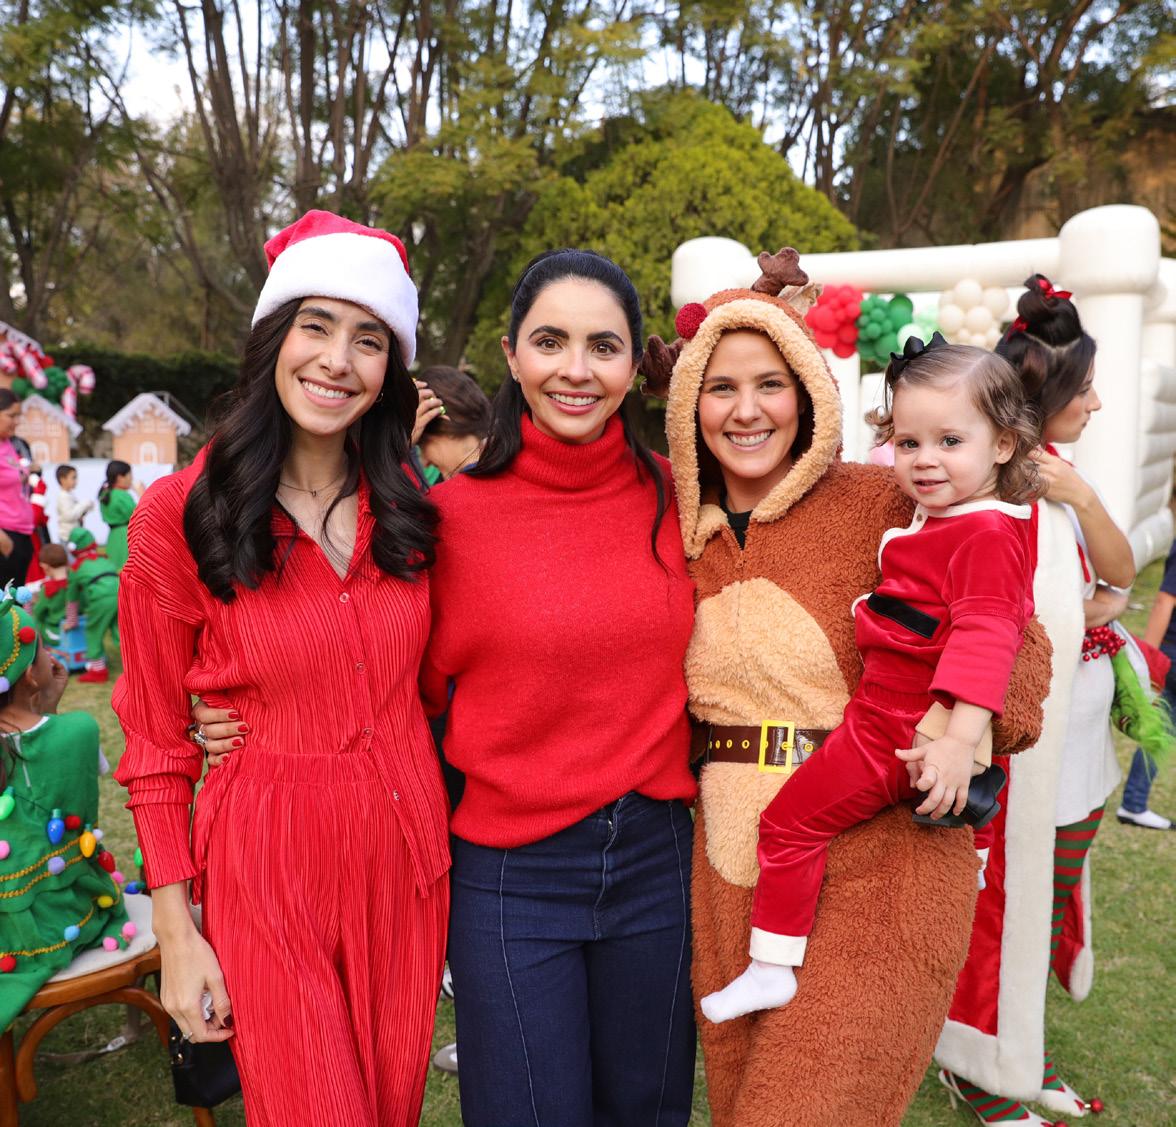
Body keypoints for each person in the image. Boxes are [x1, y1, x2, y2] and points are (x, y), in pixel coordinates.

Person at [642, 248, 1049, 1127]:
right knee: (744, 1102)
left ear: (808, 392)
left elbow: (1017, 641)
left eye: (771, 384)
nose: (747, 409)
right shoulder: (668, 531)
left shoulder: (888, 499)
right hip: (730, 863)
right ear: (687, 404)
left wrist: (958, 729)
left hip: (884, 854)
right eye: (720, 387)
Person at [112, 210, 450, 1127]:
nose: (338, 360)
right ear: (273, 339)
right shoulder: (181, 512)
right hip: (268, 867)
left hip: (406, 863)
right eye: (317, 326)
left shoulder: (409, 510)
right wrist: (176, 932)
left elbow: (438, 680)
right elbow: (152, 743)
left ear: (391, 368)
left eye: (369, 338)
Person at [700, 336, 1039, 1023]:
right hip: (885, 712)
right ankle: (972, 842)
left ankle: (772, 964)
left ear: (1004, 444)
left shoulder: (983, 535)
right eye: (908, 443)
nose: (925, 460)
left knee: (788, 823)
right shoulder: (946, 519)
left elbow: (989, 636)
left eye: (950, 441)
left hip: (892, 727)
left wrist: (957, 740)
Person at [936, 274, 1135, 1124]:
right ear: (1047, 396)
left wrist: (1079, 496)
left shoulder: (1061, 480)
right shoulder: (980, 495)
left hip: (1081, 749)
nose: (1096, 402)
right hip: (1019, 749)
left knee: (1047, 908)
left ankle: (1026, 1052)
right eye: (1084, 387)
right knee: (1002, 911)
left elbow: (1121, 573)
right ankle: (979, 1066)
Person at [0, 585, 131, 1028]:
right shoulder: (77, 731)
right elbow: (70, 801)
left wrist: (45, 709)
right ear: (31, 675)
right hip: (58, 920)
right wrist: (52, 710)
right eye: (41, 649)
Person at [1117, 535, 1176, 829]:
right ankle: (1134, 803)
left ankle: (1134, 803)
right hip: (1172, 653)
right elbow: (1166, 599)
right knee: (1161, 727)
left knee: (1162, 728)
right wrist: (1148, 660)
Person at [414, 365, 491, 482]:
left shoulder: (454, 491)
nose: (425, 463)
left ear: (446, 427)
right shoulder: (509, 471)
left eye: (421, 443)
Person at [64, 528, 120, 684]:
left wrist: (71, 621)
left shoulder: (76, 568)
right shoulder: (105, 559)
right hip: (120, 593)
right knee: (121, 630)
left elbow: (72, 599)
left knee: (93, 631)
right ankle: (139, 662)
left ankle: (98, 670)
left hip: (101, 599)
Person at [0, 390, 34, 589]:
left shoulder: (9, 444)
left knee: (16, 603)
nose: (17, 422)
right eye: (11, 416)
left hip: (21, 532)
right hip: (5, 536)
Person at [97, 460, 137, 570]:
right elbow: (138, 514)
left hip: (113, 537)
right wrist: (142, 493)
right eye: (129, 475)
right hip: (125, 536)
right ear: (120, 477)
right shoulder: (121, 495)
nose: (131, 479)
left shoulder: (105, 493)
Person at [32, 543, 69, 645]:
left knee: (35, 621)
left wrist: (35, 602)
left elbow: (38, 612)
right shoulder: (74, 581)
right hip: (79, 628)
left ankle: (42, 649)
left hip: (57, 632)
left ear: (45, 566)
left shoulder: (48, 588)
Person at [55, 464, 93, 543]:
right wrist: (84, 505)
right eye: (73, 478)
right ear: (62, 479)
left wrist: (84, 510)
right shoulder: (63, 496)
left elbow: (76, 513)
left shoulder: (69, 495)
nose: (76, 481)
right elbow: (69, 516)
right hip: (67, 537)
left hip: (74, 535)